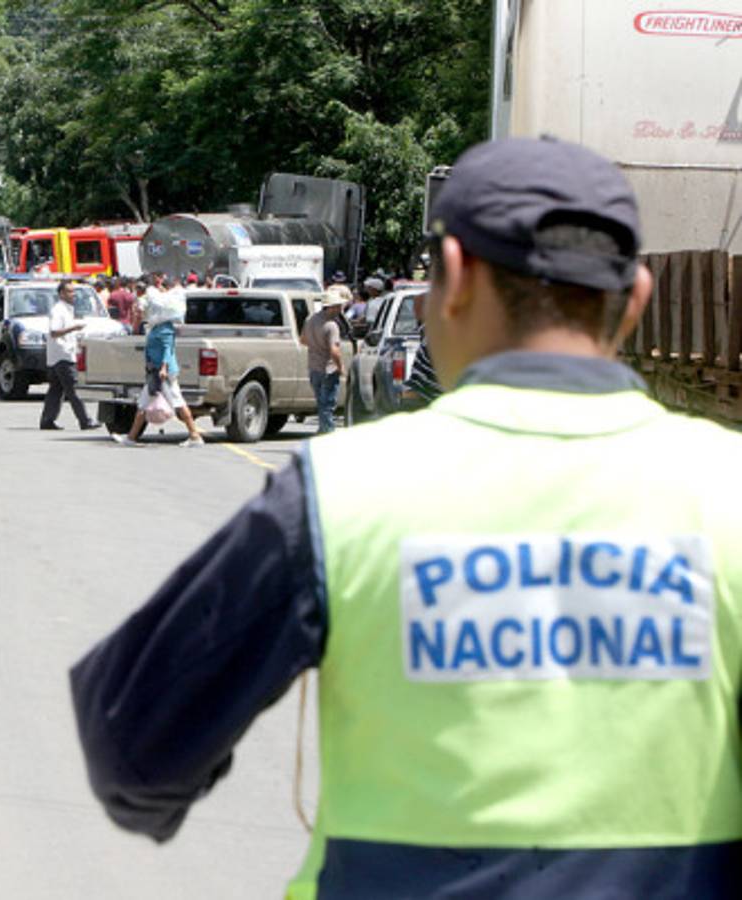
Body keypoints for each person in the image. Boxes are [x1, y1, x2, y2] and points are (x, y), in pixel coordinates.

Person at [69, 137, 742, 897]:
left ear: (451, 276)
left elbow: (134, 744)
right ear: (639, 296)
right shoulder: (727, 492)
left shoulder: (340, 492)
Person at [112, 277, 205, 448]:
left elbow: (167, 349)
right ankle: (131, 438)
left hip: (163, 373)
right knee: (143, 404)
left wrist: (163, 368)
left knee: (177, 402)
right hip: (156, 372)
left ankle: (194, 435)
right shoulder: (157, 328)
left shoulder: (165, 329)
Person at [40, 281, 99, 431]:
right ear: (61, 294)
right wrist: (75, 327)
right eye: (69, 292)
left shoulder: (67, 309)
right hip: (62, 355)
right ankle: (85, 421)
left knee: (56, 390)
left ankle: (47, 420)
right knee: (74, 389)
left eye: (74, 291)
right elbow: (54, 332)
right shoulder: (58, 310)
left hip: (60, 355)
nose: (73, 295)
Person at [300, 288, 351, 433]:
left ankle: (323, 429)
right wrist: (341, 367)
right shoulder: (332, 325)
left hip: (313, 367)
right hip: (328, 369)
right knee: (328, 404)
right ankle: (327, 431)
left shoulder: (310, 319)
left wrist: (316, 345)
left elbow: (303, 340)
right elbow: (334, 350)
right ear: (333, 307)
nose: (341, 308)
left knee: (321, 403)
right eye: (339, 306)